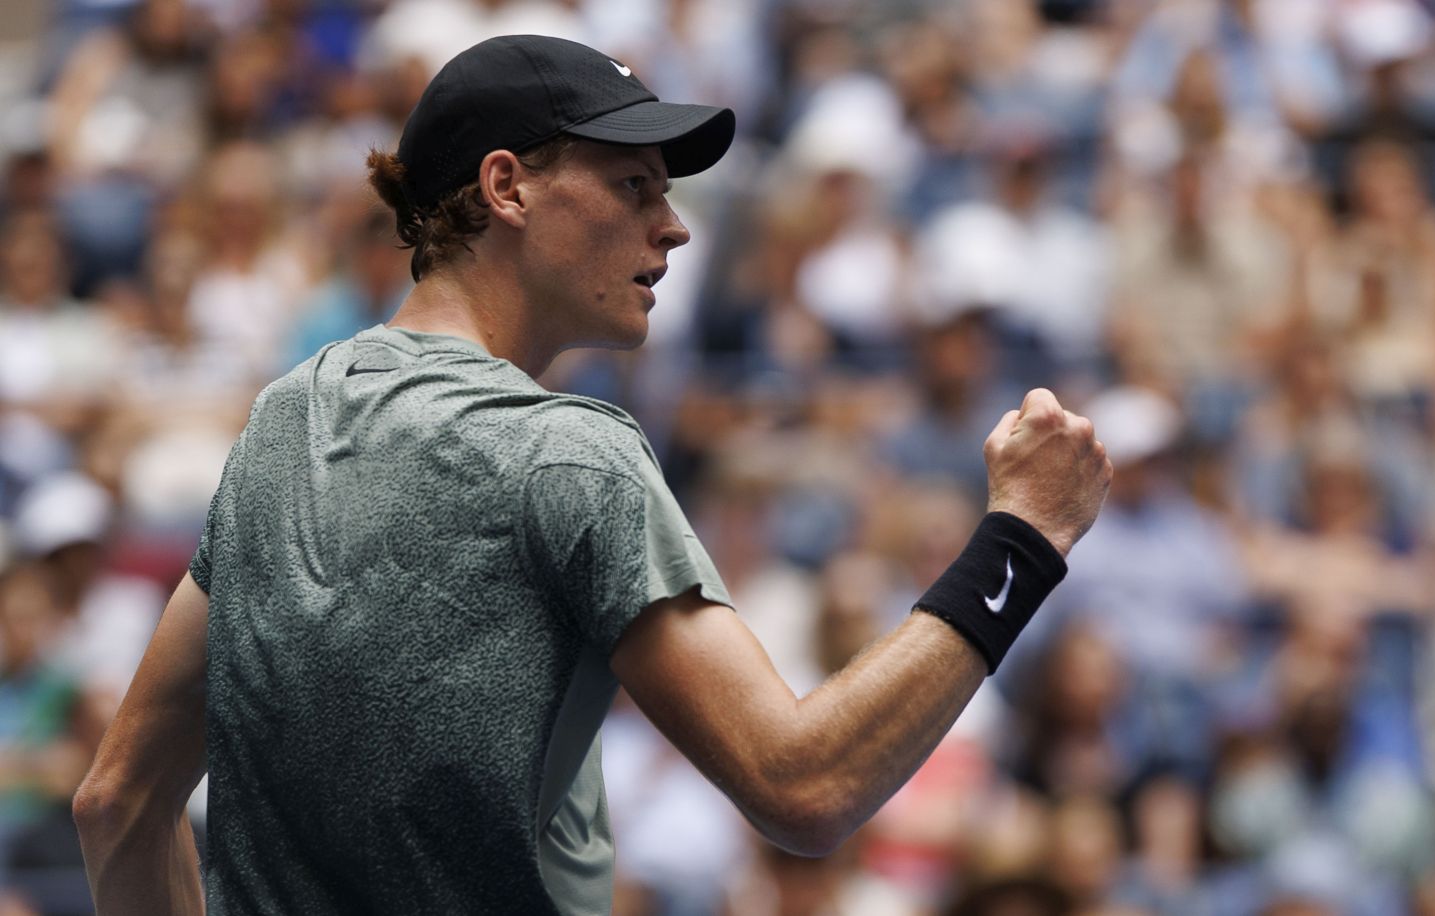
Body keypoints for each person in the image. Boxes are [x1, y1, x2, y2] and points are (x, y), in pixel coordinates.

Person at [71, 35, 1113, 915]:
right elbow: (806, 783)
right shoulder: (573, 453)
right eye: (633, 185)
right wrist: (1023, 536)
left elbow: (116, 801)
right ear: (506, 187)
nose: (674, 224)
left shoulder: (277, 423)